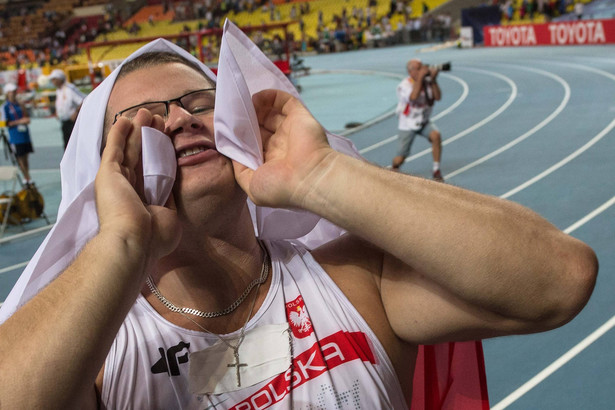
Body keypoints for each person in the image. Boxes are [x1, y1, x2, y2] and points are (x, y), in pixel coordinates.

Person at [0, 37, 598, 409]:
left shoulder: (354, 280)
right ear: (105, 166)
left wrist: (321, 177)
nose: (181, 119)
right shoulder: (97, 351)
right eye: (142, 120)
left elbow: (559, 281)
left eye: (200, 103)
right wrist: (122, 242)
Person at [392, 58, 444, 181]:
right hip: (407, 124)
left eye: (423, 67)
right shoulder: (404, 85)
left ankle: (436, 170)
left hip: (423, 121)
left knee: (436, 136)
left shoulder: (427, 82)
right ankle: (394, 167)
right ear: (411, 71)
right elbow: (413, 97)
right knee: (400, 158)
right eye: (419, 68)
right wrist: (420, 78)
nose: (423, 70)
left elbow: (437, 97)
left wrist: (434, 80)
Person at [1, 83, 34, 185]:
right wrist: (19, 122)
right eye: (11, 92)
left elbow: (27, 118)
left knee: (26, 157)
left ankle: (27, 176)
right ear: (7, 93)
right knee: (20, 157)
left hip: (25, 134)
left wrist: (25, 119)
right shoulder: (5, 107)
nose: (13, 94)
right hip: (15, 136)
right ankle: (26, 178)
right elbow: (3, 123)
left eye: (14, 91)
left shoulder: (20, 104)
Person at [49, 68, 86, 149]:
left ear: (60, 79)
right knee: (67, 145)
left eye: (54, 79)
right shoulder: (59, 90)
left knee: (74, 145)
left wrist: (75, 112)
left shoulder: (69, 89)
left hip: (72, 122)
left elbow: (83, 100)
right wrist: (57, 112)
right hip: (64, 121)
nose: (53, 81)